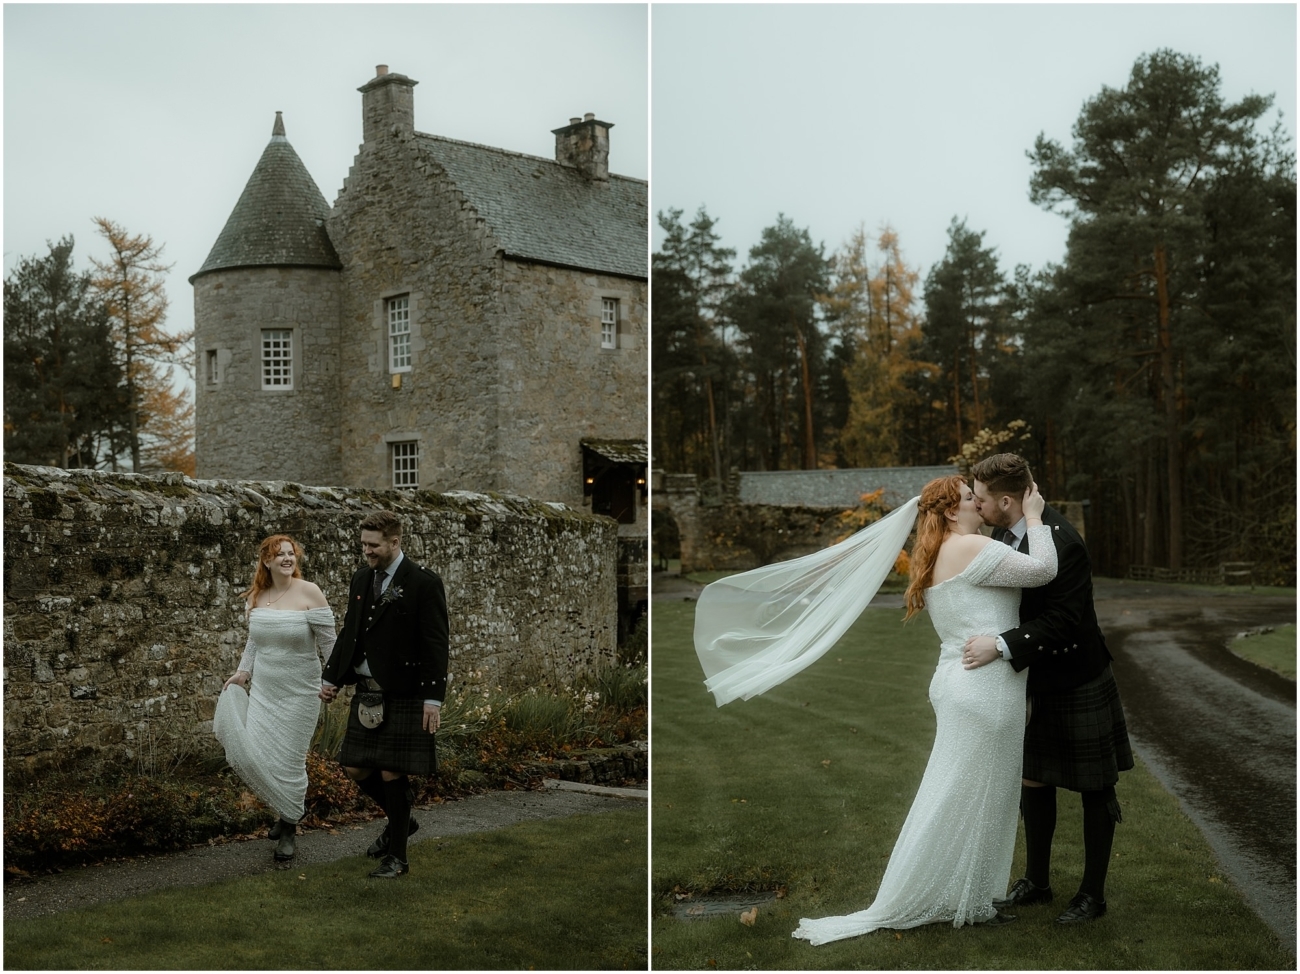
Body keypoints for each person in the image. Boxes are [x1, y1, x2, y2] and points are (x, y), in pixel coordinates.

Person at [693, 475, 1057, 944]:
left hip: (962, 682)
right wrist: (1033, 516)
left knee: (973, 795)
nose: (978, 505)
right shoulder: (969, 548)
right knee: (973, 797)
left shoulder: (940, 552)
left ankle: (973, 899)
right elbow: (1044, 569)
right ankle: (952, 897)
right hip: (983, 687)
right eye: (970, 498)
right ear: (951, 511)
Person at [965, 453, 1133, 924]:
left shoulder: (1065, 541)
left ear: (1005, 500)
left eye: (980, 499)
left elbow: (1062, 620)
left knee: (1094, 786)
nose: (975, 505)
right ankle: (1037, 882)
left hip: (1077, 676)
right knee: (1033, 779)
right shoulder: (1003, 531)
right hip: (1034, 678)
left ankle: (1092, 897)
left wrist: (999, 646)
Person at [319, 510, 449, 879]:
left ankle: (398, 858)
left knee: (392, 772)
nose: (367, 552)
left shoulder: (423, 582)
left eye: (373, 545)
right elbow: (350, 632)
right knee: (354, 766)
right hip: (367, 692)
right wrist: (331, 676)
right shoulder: (362, 578)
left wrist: (433, 699)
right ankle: (401, 820)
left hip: (404, 691)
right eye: (363, 544)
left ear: (395, 542)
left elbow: (436, 644)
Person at [213, 534, 336, 862]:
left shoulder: (310, 592)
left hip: (300, 692)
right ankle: (283, 811)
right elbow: (254, 642)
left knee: (290, 760)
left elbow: (329, 643)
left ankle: (289, 826)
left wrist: (332, 680)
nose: (287, 558)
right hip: (265, 691)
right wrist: (243, 672)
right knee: (260, 753)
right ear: (266, 561)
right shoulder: (257, 596)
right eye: (279, 554)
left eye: (290, 553)